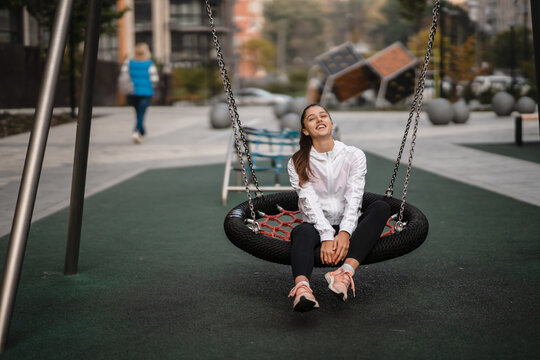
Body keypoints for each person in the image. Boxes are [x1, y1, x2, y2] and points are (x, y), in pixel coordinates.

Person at [287, 104, 391, 312]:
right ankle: (302, 289)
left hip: (349, 224)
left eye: (323, 116)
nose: (319, 120)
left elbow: (355, 196)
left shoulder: (353, 155)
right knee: (301, 232)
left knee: (381, 207)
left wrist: (344, 232)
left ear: (331, 124)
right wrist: (326, 235)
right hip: (316, 226)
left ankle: (343, 273)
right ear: (306, 131)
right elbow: (309, 201)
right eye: (311, 118)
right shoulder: (298, 161)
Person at [120, 43, 159, 144]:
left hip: (132, 92)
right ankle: (136, 131)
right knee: (141, 112)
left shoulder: (128, 63)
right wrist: (150, 86)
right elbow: (154, 79)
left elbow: (123, 76)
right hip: (145, 92)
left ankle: (142, 131)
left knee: (138, 112)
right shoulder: (149, 64)